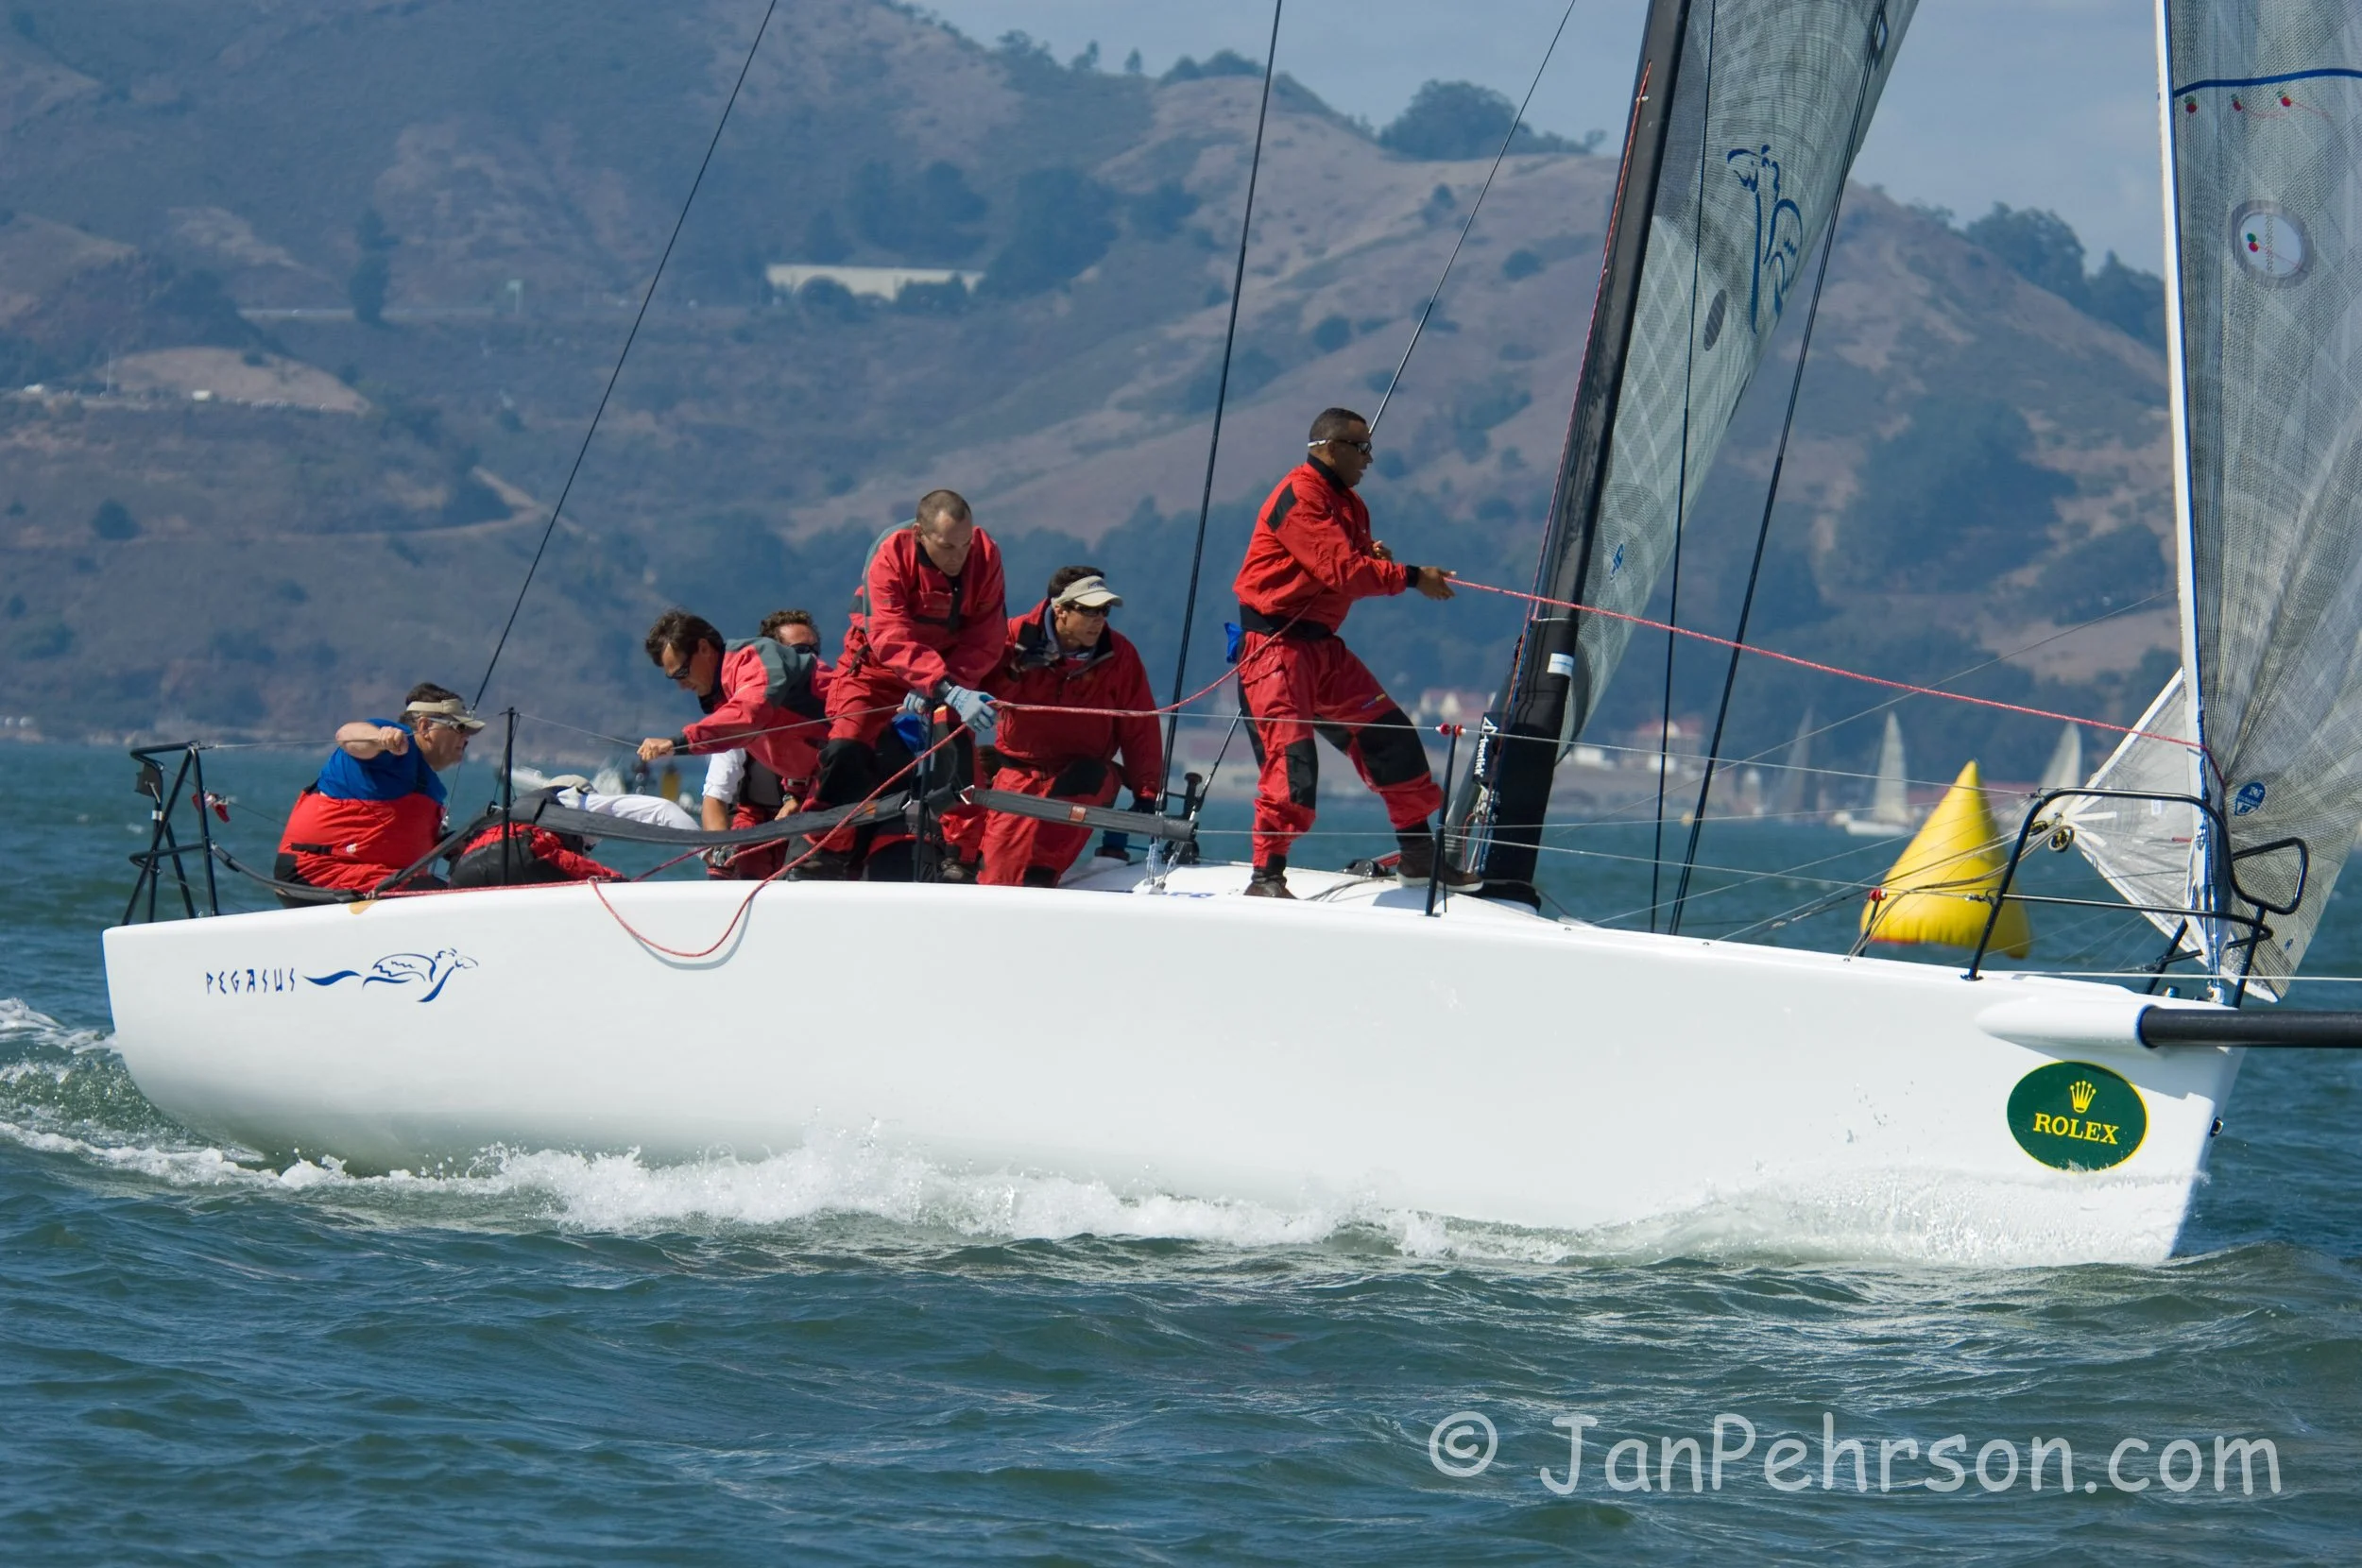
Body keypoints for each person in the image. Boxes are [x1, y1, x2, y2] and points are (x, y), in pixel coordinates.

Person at [1232, 406, 1480, 899]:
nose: (1369, 458)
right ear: (1329, 448)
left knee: (1393, 739)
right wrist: (1413, 576)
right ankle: (1266, 878)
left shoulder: (1349, 503)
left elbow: (1348, 565)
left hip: (1322, 649)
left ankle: (1418, 856)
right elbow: (1343, 572)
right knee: (1292, 766)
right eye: (1361, 447)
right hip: (1276, 650)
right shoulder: (1300, 496)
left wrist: (1374, 560)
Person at [807, 489, 1006, 879]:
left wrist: (949, 685)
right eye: (947, 547)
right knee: (846, 746)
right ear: (919, 533)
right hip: (877, 670)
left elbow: (986, 637)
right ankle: (828, 847)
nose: (958, 557)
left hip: (950, 670)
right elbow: (889, 634)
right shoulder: (890, 554)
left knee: (958, 752)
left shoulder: (986, 555)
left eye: (964, 544)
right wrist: (938, 684)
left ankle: (961, 855)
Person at [968, 567, 1163, 887]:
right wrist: (1014, 671)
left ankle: (1041, 880)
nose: (1099, 619)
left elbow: (1140, 727)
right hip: (1019, 770)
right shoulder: (1013, 635)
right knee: (999, 873)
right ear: (1060, 609)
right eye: (1089, 611)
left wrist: (1146, 792)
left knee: (1040, 867)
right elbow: (976, 690)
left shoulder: (1121, 654)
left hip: (1085, 772)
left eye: (1104, 610)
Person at [274, 685, 483, 898]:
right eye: (459, 728)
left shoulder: (427, 785)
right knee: (447, 899)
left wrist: (450, 845)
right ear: (425, 726)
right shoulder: (396, 749)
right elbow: (347, 735)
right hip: (316, 872)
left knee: (465, 893)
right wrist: (380, 737)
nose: (467, 737)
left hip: (374, 878)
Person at [635, 610, 829, 839]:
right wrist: (796, 793)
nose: (682, 685)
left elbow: (749, 714)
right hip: (821, 780)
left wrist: (676, 742)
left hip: (854, 761)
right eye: (674, 678)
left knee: (814, 856)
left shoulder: (756, 658)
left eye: (683, 672)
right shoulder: (726, 696)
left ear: (704, 648)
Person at [700, 609, 824, 880]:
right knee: (734, 863)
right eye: (800, 652)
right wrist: (719, 850)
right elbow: (716, 797)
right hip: (757, 826)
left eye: (815, 651)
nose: (811, 660)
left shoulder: (831, 705)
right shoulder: (743, 716)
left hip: (815, 821)